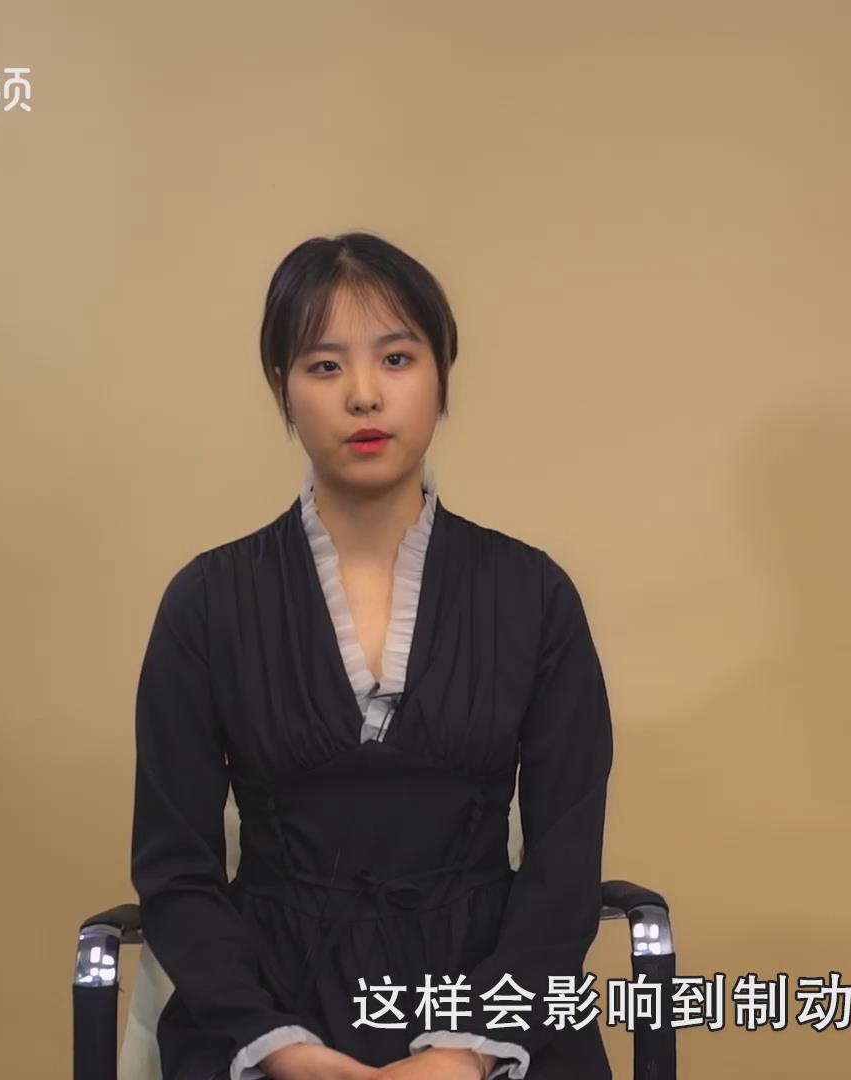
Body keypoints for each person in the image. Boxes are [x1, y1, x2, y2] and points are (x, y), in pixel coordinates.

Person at [130, 232, 615, 1080]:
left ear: (440, 378)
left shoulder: (532, 594)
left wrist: (467, 1050)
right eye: (324, 366)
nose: (363, 395)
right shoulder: (207, 603)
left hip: (490, 1004)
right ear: (283, 390)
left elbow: (563, 865)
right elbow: (177, 869)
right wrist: (278, 1047)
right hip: (266, 1009)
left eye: (396, 358)